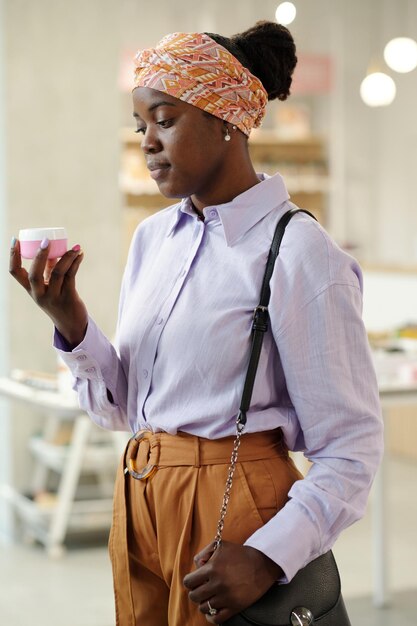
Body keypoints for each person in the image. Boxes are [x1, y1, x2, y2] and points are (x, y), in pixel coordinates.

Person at [9, 21, 383, 626]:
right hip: (140, 502)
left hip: (236, 510)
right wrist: (70, 320)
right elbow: (125, 412)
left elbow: (352, 449)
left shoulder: (298, 252)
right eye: (140, 127)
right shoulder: (152, 240)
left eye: (165, 119)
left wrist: (267, 556)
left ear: (225, 119)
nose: (148, 143)